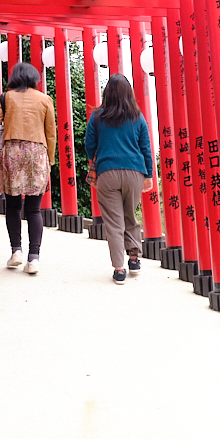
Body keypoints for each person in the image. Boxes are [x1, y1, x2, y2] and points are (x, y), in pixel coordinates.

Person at [84, 73, 154, 284]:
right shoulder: (138, 117)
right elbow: (146, 148)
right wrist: (149, 175)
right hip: (134, 172)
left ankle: (119, 269)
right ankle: (134, 259)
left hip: (107, 173)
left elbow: (89, 145)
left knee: (114, 223)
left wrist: (101, 157)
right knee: (130, 215)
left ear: (107, 93)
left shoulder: (97, 117)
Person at [0, 62, 56, 274]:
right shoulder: (45, 99)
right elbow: (51, 134)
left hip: (12, 151)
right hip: (37, 153)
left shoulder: (6, 97)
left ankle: (16, 251)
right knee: (34, 208)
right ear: (34, 78)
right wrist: (50, 160)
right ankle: (34, 258)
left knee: (12, 206)